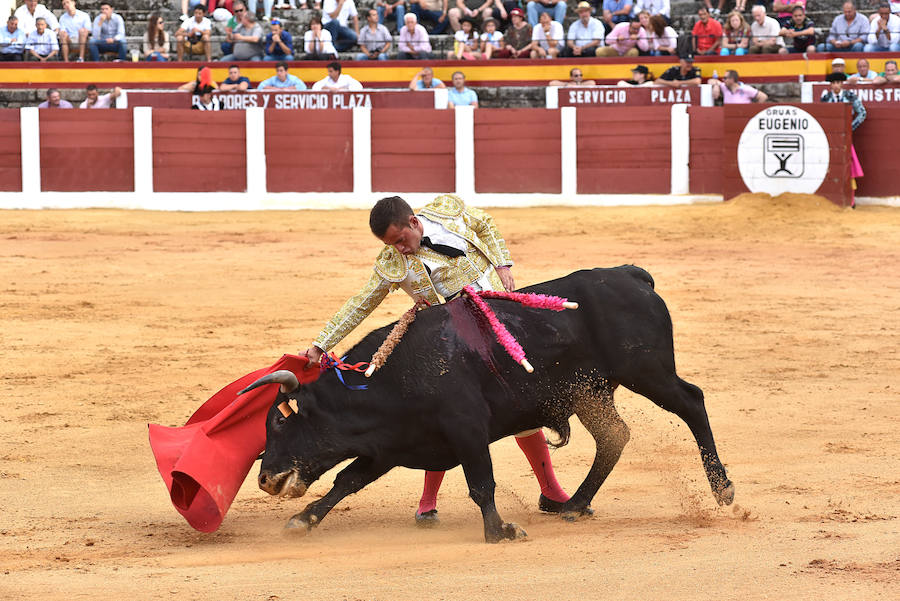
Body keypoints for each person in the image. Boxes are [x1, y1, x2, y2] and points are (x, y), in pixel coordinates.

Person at [301, 195, 573, 525]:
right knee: (445, 417)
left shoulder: (448, 211)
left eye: (401, 240)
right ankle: (427, 502)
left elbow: (484, 223)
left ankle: (552, 491)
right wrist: (320, 345)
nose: (399, 249)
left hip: (496, 324)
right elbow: (360, 304)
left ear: (414, 222)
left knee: (520, 405)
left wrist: (503, 264)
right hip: (446, 346)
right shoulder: (392, 262)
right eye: (392, 245)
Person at [820, 72, 865, 207]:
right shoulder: (825, 99)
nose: (836, 86)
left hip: (846, 139)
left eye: (838, 82)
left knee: (849, 168)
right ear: (830, 85)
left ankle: (851, 200)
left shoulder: (850, 96)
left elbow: (862, 113)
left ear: (842, 84)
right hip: (831, 140)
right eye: (833, 83)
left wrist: (849, 128)